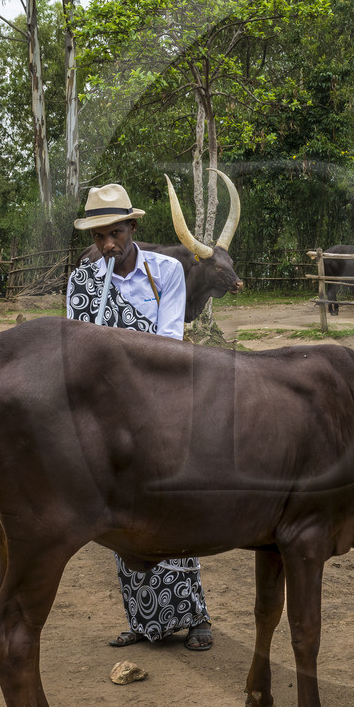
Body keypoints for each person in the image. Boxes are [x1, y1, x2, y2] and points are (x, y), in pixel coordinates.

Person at [66, 183, 214, 653]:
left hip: (161, 401)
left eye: (115, 233)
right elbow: (77, 346)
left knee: (172, 508)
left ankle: (196, 619)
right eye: (99, 237)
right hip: (110, 411)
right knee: (122, 517)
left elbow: (169, 342)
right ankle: (146, 621)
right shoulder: (83, 279)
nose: (108, 245)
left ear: (132, 227)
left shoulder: (165, 271)